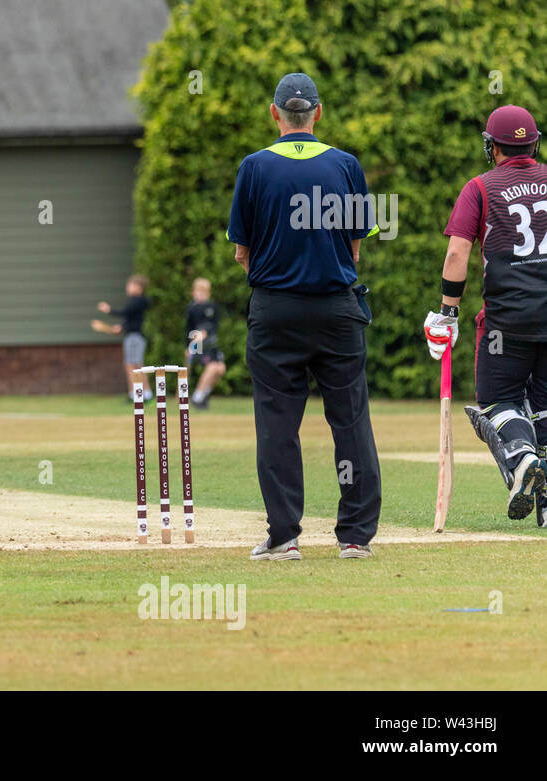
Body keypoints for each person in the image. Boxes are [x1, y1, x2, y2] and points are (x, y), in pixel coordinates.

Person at [227, 72, 381, 561]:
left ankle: (284, 535)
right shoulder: (346, 164)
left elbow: (242, 253)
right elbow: (355, 248)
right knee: (350, 419)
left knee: (277, 422)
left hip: (275, 310)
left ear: (274, 113)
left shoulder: (254, 167)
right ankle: (355, 536)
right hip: (337, 308)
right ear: (318, 112)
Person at [431, 105, 547, 521]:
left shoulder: (479, 187)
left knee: (498, 402)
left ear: (493, 147)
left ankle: (520, 459)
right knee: (545, 406)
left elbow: (457, 252)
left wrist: (448, 312)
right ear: (534, 143)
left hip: (507, 319)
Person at [92, 274, 149, 402]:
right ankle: (144, 394)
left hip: (134, 337)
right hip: (134, 336)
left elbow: (125, 312)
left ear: (139, 288)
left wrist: (108, 310)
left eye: (131, 285)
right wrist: (122, 327)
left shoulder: (137, 301)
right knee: (136, 366)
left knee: (132, 366)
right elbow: (130, 319)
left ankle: (136, 394)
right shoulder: (137, 302)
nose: (128, 287)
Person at [183, 277, 226, 409]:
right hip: (198, 345)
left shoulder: (212, 307)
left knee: (220, 369)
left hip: (211, 344)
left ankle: (203, 395)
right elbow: (189, 330)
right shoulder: (192, 309)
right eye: (198, 291)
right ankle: (197, 397)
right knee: (212, 367)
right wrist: (188, 346)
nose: (201, 295)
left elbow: (213, 326)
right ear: (193, 292)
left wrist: (206, 332)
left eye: (204, 292)